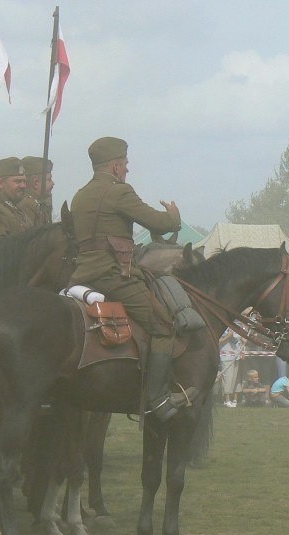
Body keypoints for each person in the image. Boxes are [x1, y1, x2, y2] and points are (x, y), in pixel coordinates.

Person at [67, 136, 194, 421]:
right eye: (124, 164)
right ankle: (159, 399)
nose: (127, 170)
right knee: (163, 324)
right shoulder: (119, 192)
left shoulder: (80, 195)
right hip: (113, 277)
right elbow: (159, 223)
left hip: (81, 278)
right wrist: (173, 215)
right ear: (114, 166)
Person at [19, 155, 55, 226]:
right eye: (49, 179)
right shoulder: (27, 205)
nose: (53, 183)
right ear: (35, 183)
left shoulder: (37, 204)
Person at [219, 327, 242, 407]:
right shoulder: (222, 328)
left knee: (234, 378)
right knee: (227, 378)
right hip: (225, 356)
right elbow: (217, 341)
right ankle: (226, 399)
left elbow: (239, 340)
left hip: (236, 356)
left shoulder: (236, 327)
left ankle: (233, 399)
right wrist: (227, 337)